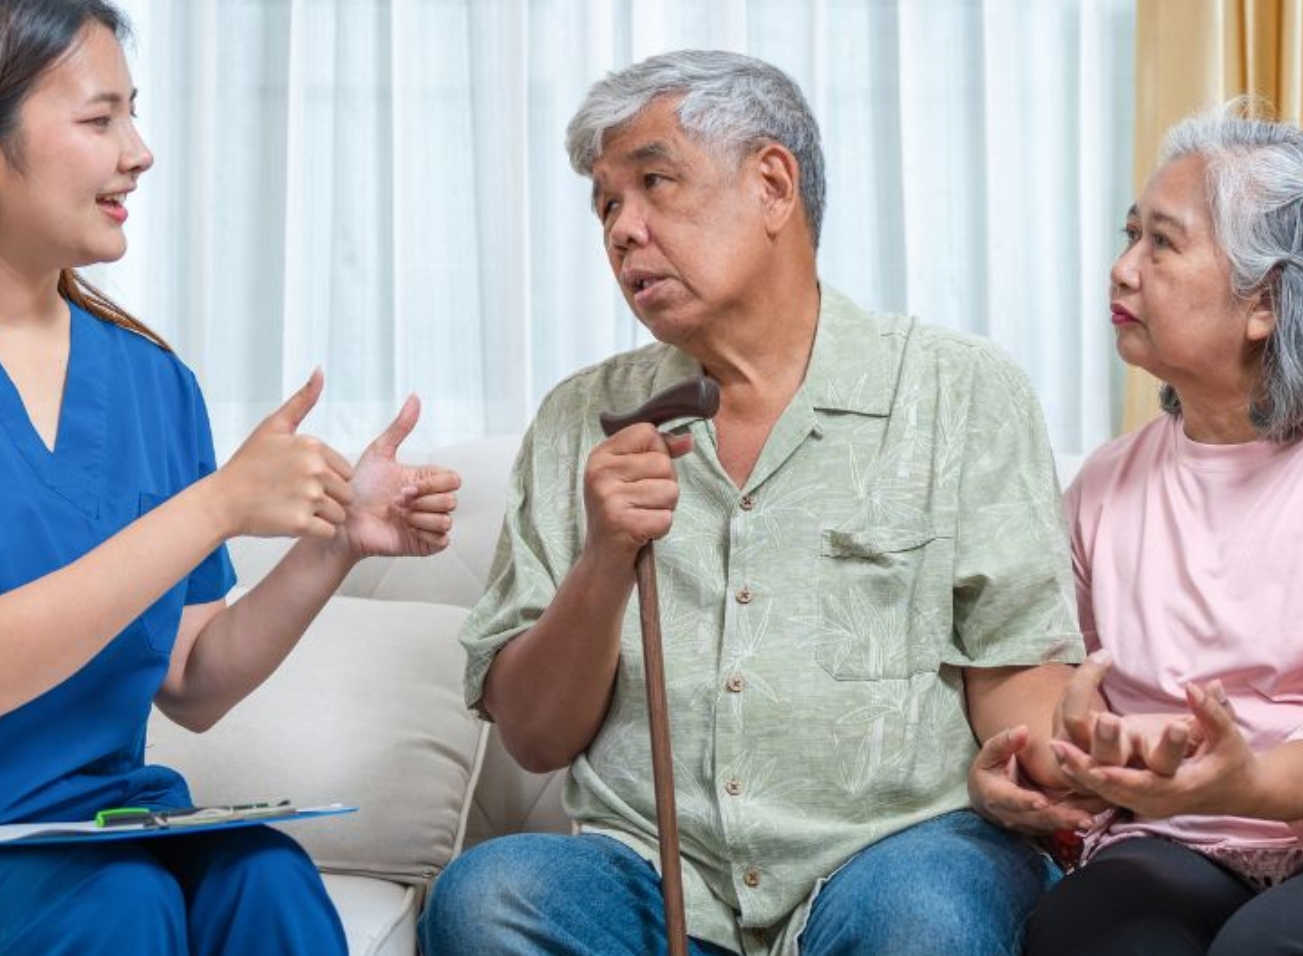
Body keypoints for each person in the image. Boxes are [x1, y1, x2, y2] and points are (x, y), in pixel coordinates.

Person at [0, 1, 460, 953]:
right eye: (101, 119)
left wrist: (332, 545)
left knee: (266, 877)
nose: (140, 151)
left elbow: (193, 677)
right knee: (111, 905)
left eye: (135, 114)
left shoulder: (150, 382)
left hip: (93, 836)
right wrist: (217, 506)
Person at [419, 50, 1087, 956]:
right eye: (607, 204)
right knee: (491, 896)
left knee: (920, 921)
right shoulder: (582, 419)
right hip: (654, 875)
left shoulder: (957, 390)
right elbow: (535, 739)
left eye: (655, 183)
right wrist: (605, 556)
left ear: (774, 184)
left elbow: (1019, 683)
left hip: (900, 854)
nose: (623, 229)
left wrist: (1047, 766)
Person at [1022, 104, 1303, 956]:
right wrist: (1076, 741)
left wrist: (1246, 777)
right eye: (1128, 234)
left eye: (1162, 244)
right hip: (1177, 838)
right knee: (1087, 934)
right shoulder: (1107, 481)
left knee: (1283, 947)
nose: (1121, 269)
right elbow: (1076, 691)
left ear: (1265, 302)